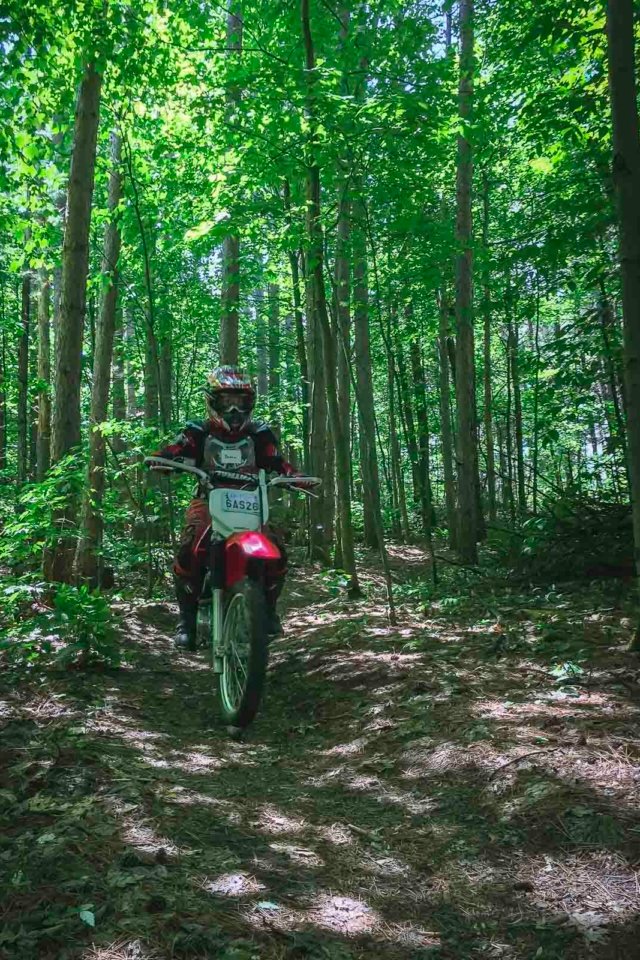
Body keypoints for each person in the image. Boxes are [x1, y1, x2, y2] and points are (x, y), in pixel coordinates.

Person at [149, 365, 307, 650]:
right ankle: (187, 620)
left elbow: (278, 463)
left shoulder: (260, 433)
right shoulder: (198, 430)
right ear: (213, 402)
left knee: (277, 550)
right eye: (227, 402)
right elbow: (174, 450)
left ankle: (267, 609)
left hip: (251, 502)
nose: (234, 410)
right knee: (190, 547)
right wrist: (163, 459)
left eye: (241, 402)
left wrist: (294, 477)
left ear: (250, 403)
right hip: (209, 499)